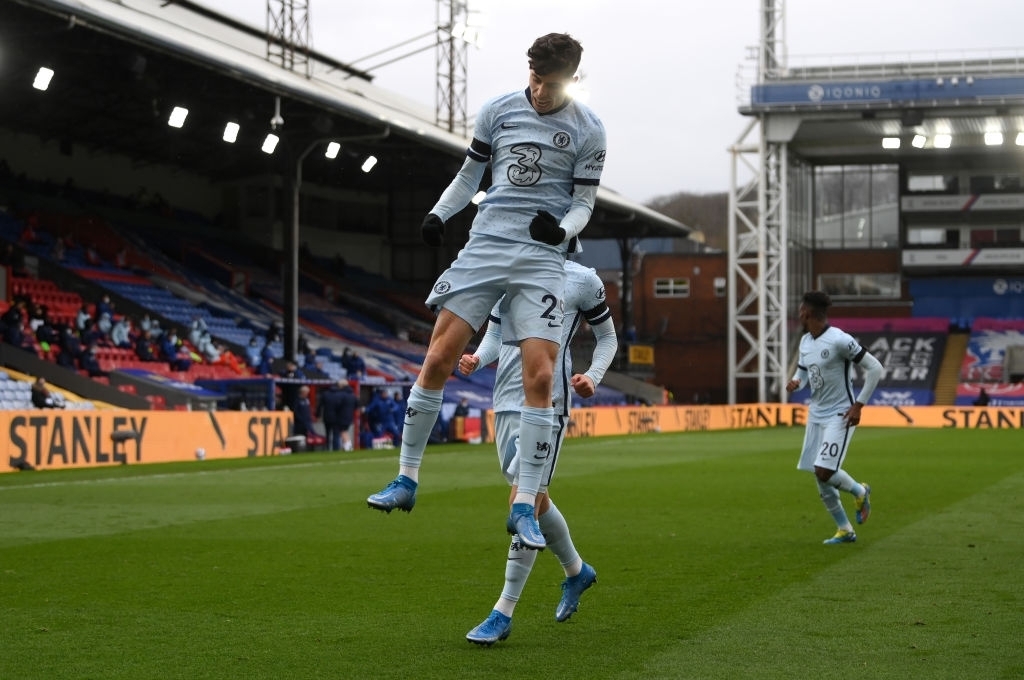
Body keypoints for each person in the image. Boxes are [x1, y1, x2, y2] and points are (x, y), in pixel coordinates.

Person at [367, 33, 606, 554]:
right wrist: (439, 214)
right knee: (436, 359)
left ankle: (524, 506)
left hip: (541, 258)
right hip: (486, 246)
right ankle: (406, 479)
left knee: (541, 376)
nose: (540, 91)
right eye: (535, 79)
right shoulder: (497, 110)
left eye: (552, 83)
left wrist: (561, 232)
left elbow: (584, 204)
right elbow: (468, 174)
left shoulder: (589, 130)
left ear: (572, 80)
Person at [457, 257, 617, 645]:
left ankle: (502, 612)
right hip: (506, 401)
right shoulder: (508, 269)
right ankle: (577, 571)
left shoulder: (582, 279)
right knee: (537, 501)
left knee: (523, 501)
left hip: (549, 403)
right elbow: (496, 335)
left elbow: (607, 337)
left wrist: (592, 377)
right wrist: (479, 358)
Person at [786, 291, 883, 545]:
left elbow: (875, 368)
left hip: (840, 413)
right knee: (819, 474)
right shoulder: (806, 341)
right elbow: (804, 370)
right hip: (816, 414)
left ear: (807, 313)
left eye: (800, 311)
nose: (798, 314)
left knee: (824, 470)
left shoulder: (839, 340)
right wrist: (797, 381)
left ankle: (860, 491)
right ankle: (845, 530)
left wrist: (858, 406)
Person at [317, 380, 359, 451]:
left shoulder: (341, 395)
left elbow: (337, 406)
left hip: (340, 417)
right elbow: (357, 406)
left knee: (340, 433)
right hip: (349, 417)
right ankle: (347, 446)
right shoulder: (353, 395)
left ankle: (344, 447)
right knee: (344, 431)